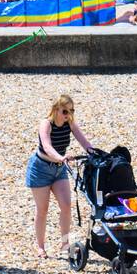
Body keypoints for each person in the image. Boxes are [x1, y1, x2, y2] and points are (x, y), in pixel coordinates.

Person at [27, 94, 94, 258]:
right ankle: (40, 247)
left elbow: (84, 142)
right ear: (56, 109)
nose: (68, 114)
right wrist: (60, 157)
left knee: (66, 205)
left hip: (59, 169)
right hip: (40, 168)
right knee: (42, 210)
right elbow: (47, 146)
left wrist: (97, 154)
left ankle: (65, 245)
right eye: (65, 111)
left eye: (71, 110)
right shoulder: (46, 124)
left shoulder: (70, 123)